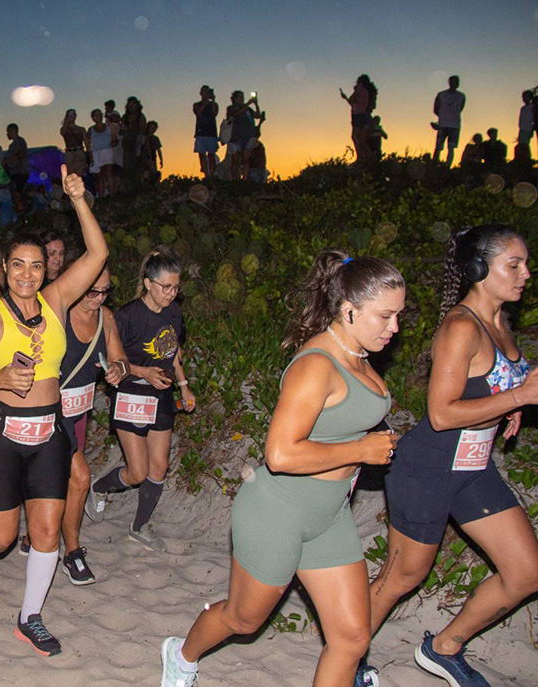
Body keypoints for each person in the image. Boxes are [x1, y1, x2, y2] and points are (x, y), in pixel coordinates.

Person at [160, 252, 404, 687]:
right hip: (278, 513)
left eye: (398, 316)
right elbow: (281, 455)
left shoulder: (359, 353)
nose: (395, 328)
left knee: (351, 639)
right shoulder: (316, 366)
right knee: (243, 619)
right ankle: (181, 655)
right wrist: (361, 450)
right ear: (349, 311)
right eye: (385, 316)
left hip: (328, 515)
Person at [0, 164, 108, 656]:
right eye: (18, 264)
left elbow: (98, 253)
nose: (27, 274)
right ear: (6, 268)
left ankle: (30, 616)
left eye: (36, 265)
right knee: (1, 535)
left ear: (45, 271)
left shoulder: (56, 300)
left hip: (50, 434)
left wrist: (79, 199)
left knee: (45, 533)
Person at [368, 225, 538, 687]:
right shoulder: (462, 326)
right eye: (514, 264)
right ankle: (348, 654)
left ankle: (442, 648)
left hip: (474, 466)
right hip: (428, 467)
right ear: (480, 270)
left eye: (526, 263)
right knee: (401, 578)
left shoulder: (501, 322)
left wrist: (511, 406)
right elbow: (442, 414)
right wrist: (517, 397)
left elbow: (492, 388)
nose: (526, 273)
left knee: (525, 572)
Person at [20, 267, 129, 586]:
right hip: (51, 412)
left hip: (78, 412)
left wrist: (118, 369)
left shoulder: (105, 317)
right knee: (80, 478)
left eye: (105, 291)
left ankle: (33, 537)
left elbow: (120, 357)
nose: (98, 298)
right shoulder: (56, 314)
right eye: (91, 291)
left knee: (55, 480)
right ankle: (73, 551)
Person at [86, 252, 195, 551]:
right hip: (131, 393)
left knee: (158, 467)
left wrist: (184, 387)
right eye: (166, 287)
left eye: (176, 287)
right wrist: (143, 372)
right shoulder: (126, 316)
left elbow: (174, 353)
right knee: (137, 472)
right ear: (148, 283)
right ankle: (98, 487)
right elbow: (108, 359)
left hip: (161, 393)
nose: (172, 294)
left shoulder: (174, 313)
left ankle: (140, 526)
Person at [226, 91, 264, 181]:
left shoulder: (248, 109)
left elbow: (257, 115)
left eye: (242, 97)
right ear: (235, 99)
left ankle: (245, 179)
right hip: (235, 137)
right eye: (239, 97)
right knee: (235, 160)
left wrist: (256, 105)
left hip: (247, 137)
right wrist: (247, 104)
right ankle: (235, 180)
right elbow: (236, 113)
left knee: (245, 160)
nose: (242, 99)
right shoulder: (231, 108)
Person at [341, 75, 376, 163]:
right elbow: (353, 103)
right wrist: (345, 97)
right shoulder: (364, 91)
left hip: (359, 116)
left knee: (357, 138)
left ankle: (363, 158)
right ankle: (365, 157)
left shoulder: (361, 90)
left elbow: (352, 100)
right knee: (358, 138)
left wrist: (355, 91)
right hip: (358, 115)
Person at [433, 75, 466, 167]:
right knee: (438, 147)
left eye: (457, 81)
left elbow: (461, 108)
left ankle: (448, 166)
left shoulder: (461, 96)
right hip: (443, 125)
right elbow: (436, 108)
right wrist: (443, 118)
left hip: (454, 126)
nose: (456, 83)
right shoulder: (441, 95)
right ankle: (434, 164)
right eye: (454, 81)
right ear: (449, 82)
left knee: (451, 147)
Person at [87, 109, 116, 197]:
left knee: (108, 173)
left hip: (107, 150)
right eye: (96, 115)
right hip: (96, 152)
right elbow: (88, 143)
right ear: (93, 118)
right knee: (99, 176)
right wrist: (90, 155)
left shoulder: (109, 127)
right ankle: (101, 197)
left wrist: (113, 143)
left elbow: (114, 139)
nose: (98, 117)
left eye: (99, 114)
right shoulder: (91, 129)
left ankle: (112, 195)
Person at [193, 85, 219, 179]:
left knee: (211, 155)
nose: (205, 93)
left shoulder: (214, 105)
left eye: (207, 92)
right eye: (204, 92)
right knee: (202, 155)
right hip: (200, 133)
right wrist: (204, 103)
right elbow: (198, 113)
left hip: (211, 133)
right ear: (200, 93)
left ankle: (211, 175)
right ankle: (207, 176)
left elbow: (214, 113)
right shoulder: (197, 104)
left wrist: (212, 101)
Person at [122, 97, 148, 189]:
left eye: (133, 105)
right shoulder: (125, 117)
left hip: (137, 141)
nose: (131, 107)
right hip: (127, 143)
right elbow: (122, 129)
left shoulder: (140, 116)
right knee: (127, 166)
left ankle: (138, 187)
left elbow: (143, 131)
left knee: (137, 165)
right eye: (129, 105)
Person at [5, 123, 30, 216]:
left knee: (18, 193)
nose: (7, 134)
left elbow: (21, 154)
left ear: (13, 131)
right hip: (15, 172)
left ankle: (22, 213)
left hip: (20, 172)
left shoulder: (20, 141)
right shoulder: (13, 145)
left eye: (8, 132)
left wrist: (9, 160)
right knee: (16, 193)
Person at [60, 109, 88, 177]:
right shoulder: (65, 129)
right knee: (70, 175)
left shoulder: (81, 129)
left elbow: (87, 142)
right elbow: (62, 133)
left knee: (79, 175)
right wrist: (66, 121)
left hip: (79, 151)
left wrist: (89, 154)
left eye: (73, 115)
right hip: (69, 153)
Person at [145, 121, 163, 185]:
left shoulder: (155, 138)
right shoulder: (143, 137)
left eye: (154, 128)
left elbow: (158, 150)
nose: (152, 129)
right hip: (143, 158)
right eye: (151, 127)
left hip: (152, 158)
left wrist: (161, 160)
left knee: (153, 174)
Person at [518, 90, 535, 160]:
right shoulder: (523, 108)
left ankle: (527, 159)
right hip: (522, 129)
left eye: (526, 97)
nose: (524, 99)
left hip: (528, 129)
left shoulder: (533, 107)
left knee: (525, 146)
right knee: (521, 145)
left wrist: (532, 129)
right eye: (523, 97)